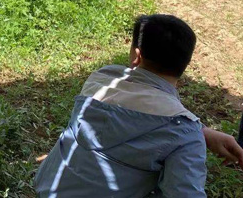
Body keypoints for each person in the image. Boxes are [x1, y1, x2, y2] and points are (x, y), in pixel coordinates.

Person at [35, 14, 243, 198]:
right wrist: (195, 132)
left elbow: (132, 108)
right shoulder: (184, 133)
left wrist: (199, 130)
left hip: (48, 188)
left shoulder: (101, 79)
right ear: (185, 64)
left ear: (137, 55)